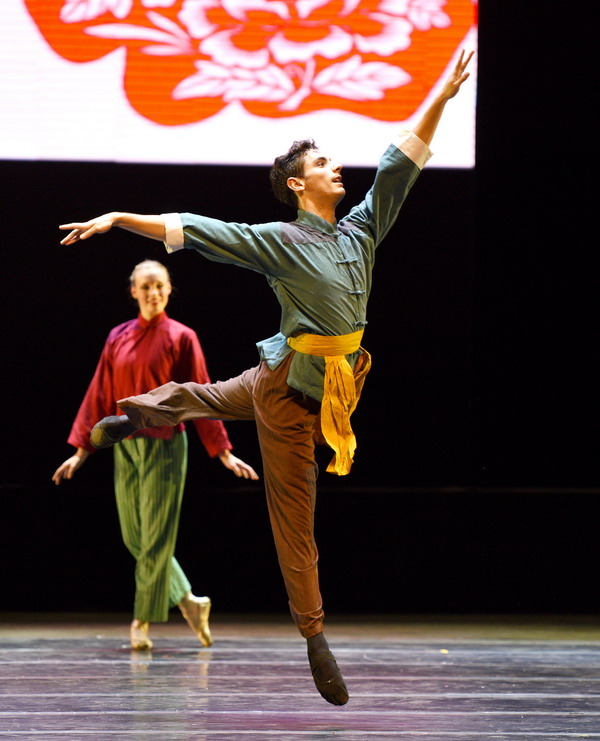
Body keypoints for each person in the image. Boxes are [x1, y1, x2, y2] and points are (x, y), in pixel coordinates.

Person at [59, 51, 473, 704]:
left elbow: (402, 163)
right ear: (300, 187)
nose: (337, 168)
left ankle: (139, 412)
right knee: (294, 521)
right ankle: (314, 634)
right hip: (287, 400)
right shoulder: (281, 240)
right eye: (321, 165)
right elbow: (197, 230)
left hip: (288, 377)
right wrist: (118, 219)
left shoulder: (361, 231)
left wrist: (442, 97)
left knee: (203, 396)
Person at [52, 259, 258, 651]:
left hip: (165, 445)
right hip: (123, 445)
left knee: (156, 539)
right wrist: (81, 452)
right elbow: (99, 392)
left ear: (169, 290)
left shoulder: (182, 337)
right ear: (134, 291)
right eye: (146, 286)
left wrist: (223, 452)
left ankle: (140, 622)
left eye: (160, 286)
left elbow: (201, 394)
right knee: (136, 537)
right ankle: (189, 601)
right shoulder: (118, 336)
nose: (153, 293)